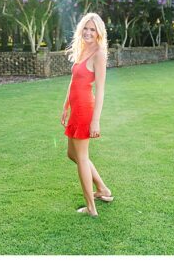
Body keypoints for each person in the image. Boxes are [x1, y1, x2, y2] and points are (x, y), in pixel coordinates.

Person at [61, 13, 113, 217]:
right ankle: (103, 189)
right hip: (75, 108)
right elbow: (73, 81)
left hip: (85, 110)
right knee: (72, 154)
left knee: (82, 157)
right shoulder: (83, 50)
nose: (88, 32)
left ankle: (91, 208)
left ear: (99, 32)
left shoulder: (99, 54)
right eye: (86, 28)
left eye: (93, 29)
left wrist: (96, 121)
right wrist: (65, 105)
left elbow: (100, 89)